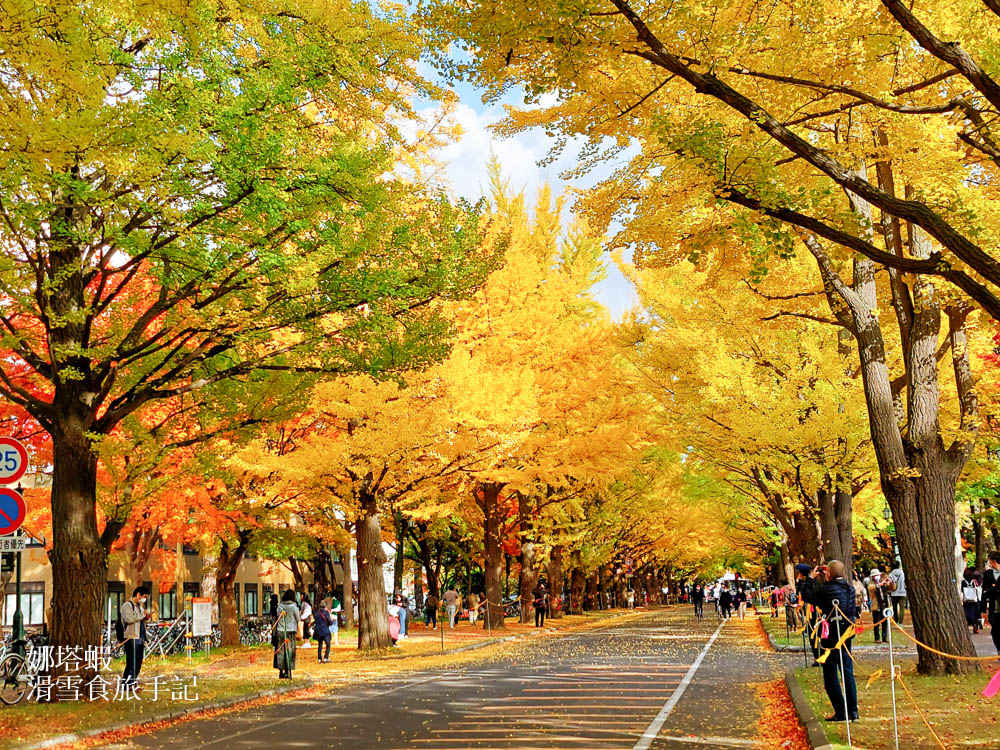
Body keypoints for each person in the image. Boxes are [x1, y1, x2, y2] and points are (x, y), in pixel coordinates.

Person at [801, 560, 859, 722]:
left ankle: (841, 711)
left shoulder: (826, 590)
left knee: (831, 673)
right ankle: (853, 710)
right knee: (847, 671)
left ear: (828, 574)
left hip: (830, 636)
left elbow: (807, 596)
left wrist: (810, 579)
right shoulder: (850, 588)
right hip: (846, 634)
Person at [121, 585, 150, 687]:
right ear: (138, 595)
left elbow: (141, 619)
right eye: (144, 597)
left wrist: (147, 617)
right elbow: (128, 619)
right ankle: (126, 684)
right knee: (131, 662)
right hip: (131, 637)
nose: (144, 599)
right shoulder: (127, 605)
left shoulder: (139, 607)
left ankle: (132, 683)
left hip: (140, 637)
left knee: (138, 662)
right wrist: (142, 615)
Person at [274, 589, 299, 679]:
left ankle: (281, 670)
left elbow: (277, 615)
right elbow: (298, 618)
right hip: (291, 631)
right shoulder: (294, 607)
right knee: (290, 650)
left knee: (281, 650)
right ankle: (288, 670)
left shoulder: (280, 606)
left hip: (281, 630)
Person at [866, 568, 891, 644]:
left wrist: (889, 582)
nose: (877, 576)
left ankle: (884, 637)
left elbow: (892, 588)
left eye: (878, 575)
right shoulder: (871, 583)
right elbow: (871, 588)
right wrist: (879, 585)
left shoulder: (883, 581)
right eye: (875, 575)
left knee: (885, 622)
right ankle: (877, 638)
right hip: (876, 605)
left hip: (885, 604)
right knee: (876, 622)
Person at [982, 552, 1000, 654]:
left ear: (993, 561)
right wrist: (983, 609)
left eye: (989, 560)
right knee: (995, 631)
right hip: (994, 607)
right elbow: (984, 592)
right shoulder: (988, 574)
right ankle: (999, 650)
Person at [961, 567, 982, 634]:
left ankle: (967, 625)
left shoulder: (963, 582)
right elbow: (978, 588)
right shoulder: (974, 581)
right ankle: (975, 626)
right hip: (974, 600)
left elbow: (962, 590)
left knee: (967, 613)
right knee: (975, 613)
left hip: (966, 600)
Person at [888, 559, 907, 625]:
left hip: (894, 593)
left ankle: (896, 621)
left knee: (895, 607)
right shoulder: (903, 573)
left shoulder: (890, 574)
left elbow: (890, 583)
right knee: (902, 608)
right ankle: (900, 622)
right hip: (902, 592)